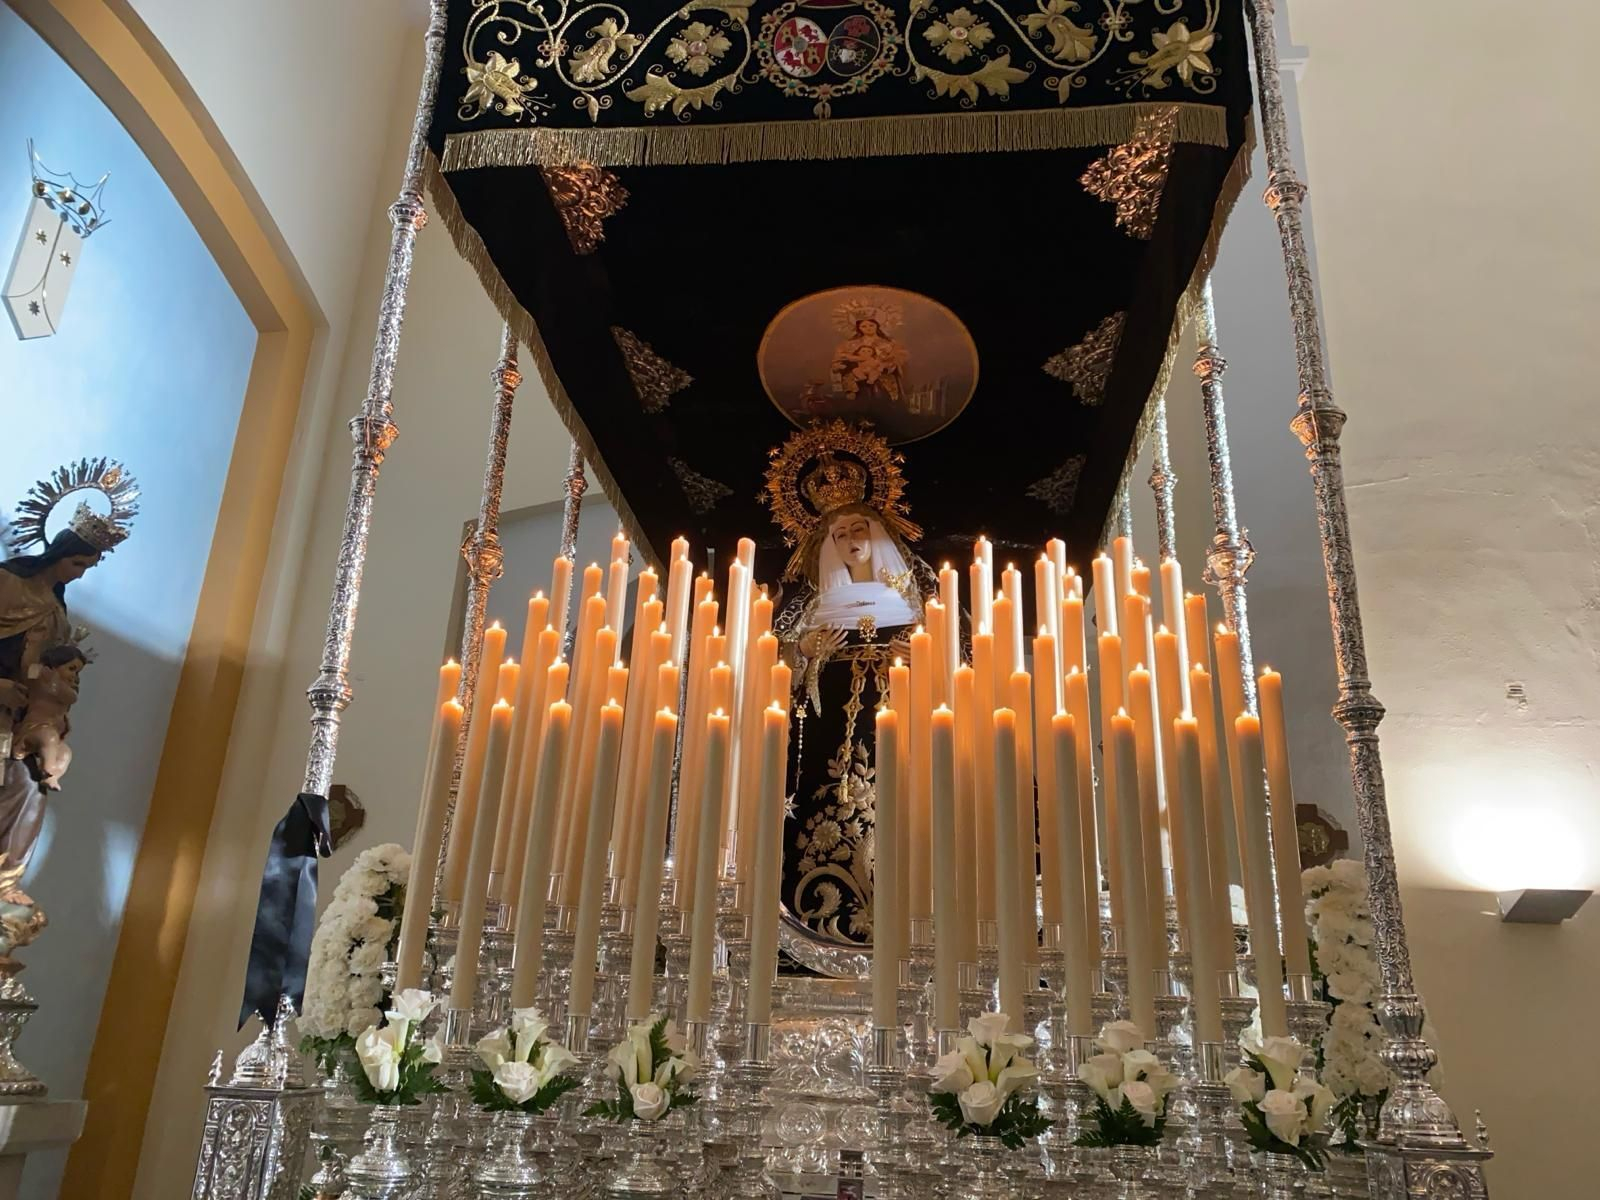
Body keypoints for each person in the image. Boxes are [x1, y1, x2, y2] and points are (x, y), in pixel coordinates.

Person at [766, 425, 936, 953]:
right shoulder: (809, 604)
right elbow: (774, 676)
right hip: (829, 738)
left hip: (902, 728)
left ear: (878, 532)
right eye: (839, 534)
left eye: (859, 528)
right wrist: (805, 652)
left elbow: (964, 660)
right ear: (828, 544)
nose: (851, 539)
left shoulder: (921, 592)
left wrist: (924, 655)